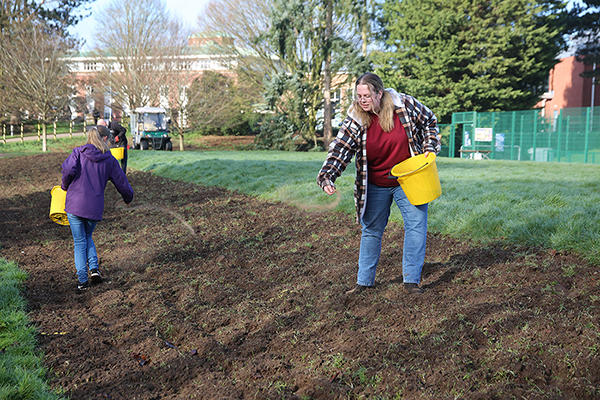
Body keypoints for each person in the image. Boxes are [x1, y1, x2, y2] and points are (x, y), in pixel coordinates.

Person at [317, 72, 440, 295]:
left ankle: (411, 282)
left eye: (366, 96)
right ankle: (364, 283)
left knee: (416, 225)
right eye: (358, 96)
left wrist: (429, 150)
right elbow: (341, 147)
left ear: (379, 93)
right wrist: (327, 176)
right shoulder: (356, 118)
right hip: (374, 183)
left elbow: (430, 121)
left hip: (408, 180)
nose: (362, 100)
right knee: (371, 230)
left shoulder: (404, 105)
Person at [61, 126, 134, 291]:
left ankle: (82, 281)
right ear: (106, 139)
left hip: (74, 205)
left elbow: (67, 170)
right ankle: (94, 270)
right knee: (87, 236)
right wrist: (128, 198)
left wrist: (64, 186)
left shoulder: (78, 153)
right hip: (93, 208)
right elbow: (121, 182)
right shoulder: (109, 160)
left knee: (80, 241)